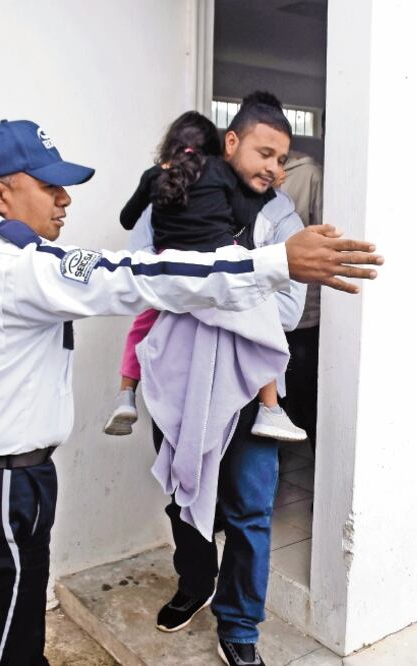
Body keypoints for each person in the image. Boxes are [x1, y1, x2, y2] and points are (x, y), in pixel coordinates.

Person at [0, 118, 382, 665]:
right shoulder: (15, 265)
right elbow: (135, 273)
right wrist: (274, 261)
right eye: (49, 186)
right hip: (0, 484)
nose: (64, 199)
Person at [145, 92, 316, 666]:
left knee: (249, 510)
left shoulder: (283, 219)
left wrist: (215, 284)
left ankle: (240, 626)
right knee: (182, 491)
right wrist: (247, 280)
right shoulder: (178, 189)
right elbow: (148, 277)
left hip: (251, 388)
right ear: (232, 142)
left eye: (282, 159)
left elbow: (290, 312)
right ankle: (196, 582)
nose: (273, 168)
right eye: (264, 153)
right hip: (181, 376)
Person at [102, 110, 306, 442]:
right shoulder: (219, 175)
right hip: (220, 261)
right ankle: (271, 410)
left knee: (142, 324)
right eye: (266, 155)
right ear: (220, 149)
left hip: (171, 266)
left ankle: (126, 394)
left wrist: (158, 187)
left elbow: (127, 221)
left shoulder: (155, 180)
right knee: (260, 310)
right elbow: (245, 209)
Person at [279, 147, 324, 449]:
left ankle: (316, 460)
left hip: (305, 310)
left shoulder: (310, 175)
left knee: (303, 390)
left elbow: (325, 237)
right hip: (266, 309)